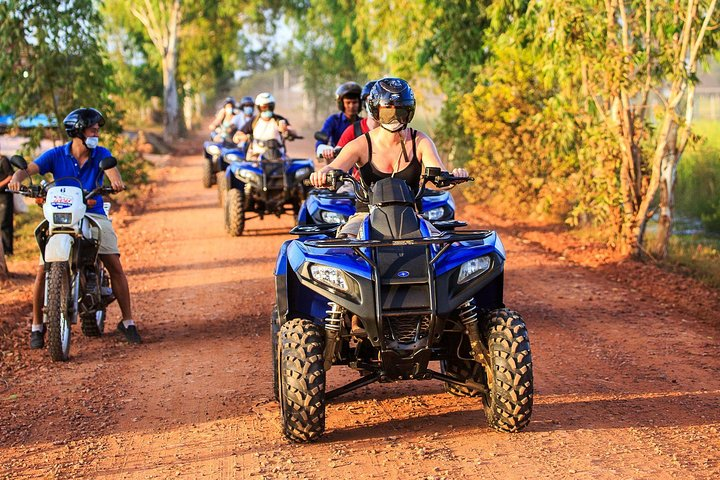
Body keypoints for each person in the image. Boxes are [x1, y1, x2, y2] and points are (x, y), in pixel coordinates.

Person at [8, 108, 142, 348]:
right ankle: (37, 325)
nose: (96, 133)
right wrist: (17, 178)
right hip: (60, 215)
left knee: (114, 263)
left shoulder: (101, 153)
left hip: (92, 212)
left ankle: (128, 320)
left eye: (97, 130)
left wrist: (115, 181)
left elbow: (112, 170)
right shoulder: (56, 155)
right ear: (78, 131)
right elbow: (30, 168)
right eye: (93, 129)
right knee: (42, 268)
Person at [309, 77, 468, 237]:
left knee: (439, 249)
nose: (394, 118)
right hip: (365, 216)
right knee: (347, 249)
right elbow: (334, 167)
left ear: (409, 112)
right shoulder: (361, 144)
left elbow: (440, 175)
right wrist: (322, 174)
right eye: (388, 112)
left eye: (400, 112)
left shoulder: (420, 141)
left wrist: (454, 177)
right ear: (376, 111)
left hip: (412, 217)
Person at [234, 92, 297, 160]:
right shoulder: (254, 121)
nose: (267, 109)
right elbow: (236, 137)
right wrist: (242, 137)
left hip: (278, 157)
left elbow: (293, 132)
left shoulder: (279, 120)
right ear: (259, 108)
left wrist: (286, 130)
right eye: (264, 107)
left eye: (270, 107)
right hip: (256, 157)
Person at [316, 82, 362, 160]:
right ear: (341, 104)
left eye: (354, 102)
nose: (351, 106)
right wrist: (326, 149)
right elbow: (320, 142)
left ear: (360, 103)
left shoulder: (363, 123)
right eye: (348, 103)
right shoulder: (333, 120)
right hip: (338, 164)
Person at [0, 154, 13, 255]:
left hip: (5, 195)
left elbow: (11, 175)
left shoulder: (3, 160)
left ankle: (7, 250)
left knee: (4, 223)